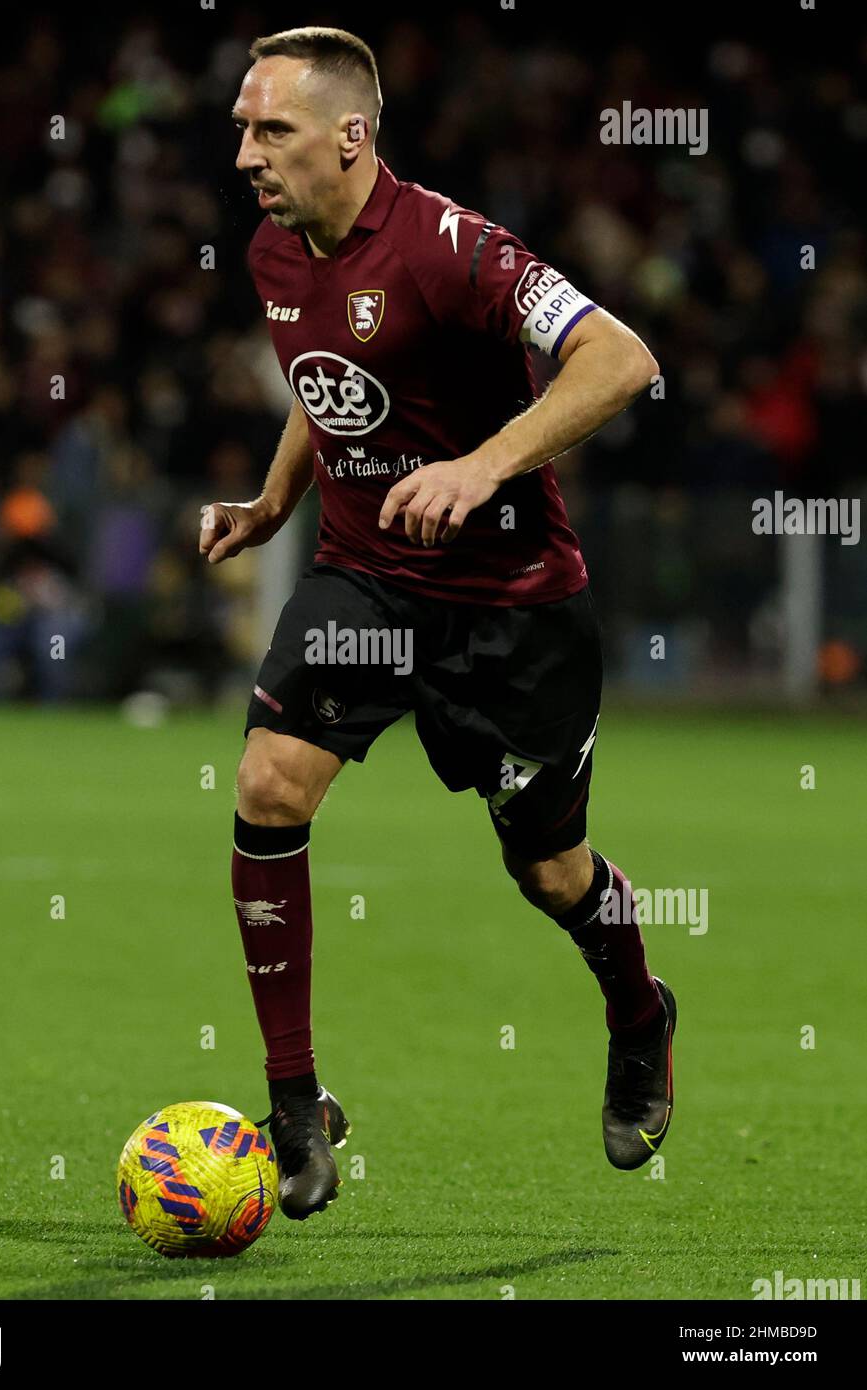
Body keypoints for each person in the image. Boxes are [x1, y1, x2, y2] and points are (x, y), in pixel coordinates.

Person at [201, 25, 676, 1220]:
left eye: (274, 130)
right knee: (268, 788)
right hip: (366, 583)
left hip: (511, 609)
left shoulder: (454, 247)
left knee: (551, 869)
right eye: (243, 128)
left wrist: (484, 464)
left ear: (350, 137)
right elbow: (332, 388)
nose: (246, 152)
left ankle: (637, 1009)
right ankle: (296, 1105)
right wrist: (272, 501)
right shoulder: (272, 250)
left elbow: (621, 361)